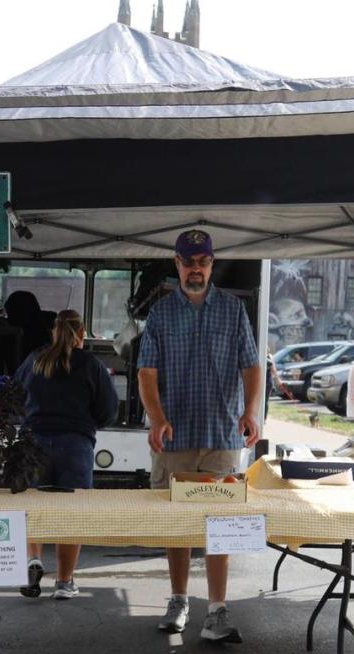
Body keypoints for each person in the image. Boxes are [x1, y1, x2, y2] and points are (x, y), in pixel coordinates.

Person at [137, 229, 263, 643]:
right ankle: (178, 600)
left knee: (220, 525)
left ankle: (217, 610)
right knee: (177, 524)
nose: (196, 269)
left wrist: (250, 411)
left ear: (211, 264)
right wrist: (156, 418)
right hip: (174, 437)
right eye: (188, 262)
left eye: (203, 262)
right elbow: (146, 373)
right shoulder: (159, 314)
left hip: (221, 433)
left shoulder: (232, 310)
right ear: (177, 264)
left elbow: (250, 365)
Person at [12, 309, 119, 600]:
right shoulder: (90, 364)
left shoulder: (35, 359)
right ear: (82, 334)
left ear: (53, 332)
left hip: (33, 441)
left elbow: (13, 395)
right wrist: (89, 422)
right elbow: (108, 409)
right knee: (73, 513)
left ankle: (34, 561)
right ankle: (64, 581)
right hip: (75, 445)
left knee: (34, 507)